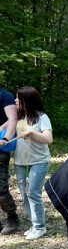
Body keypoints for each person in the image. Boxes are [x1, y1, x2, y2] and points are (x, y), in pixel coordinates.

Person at [14, 87, 53, 240]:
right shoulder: (18, 117)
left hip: (39, 161)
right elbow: (10, 131)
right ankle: (34, 223)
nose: (15, 100)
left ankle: (39, 227)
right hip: (20, 161)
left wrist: (32, 132)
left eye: (18, 98)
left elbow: (48, 140)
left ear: (27, 101)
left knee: (33, 193)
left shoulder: (42, 117)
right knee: (24, 195)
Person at [0, 88, 20, 235]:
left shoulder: (4, 95)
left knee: (0, 188)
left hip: (0, 146)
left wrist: (6, 138)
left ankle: (12, 217)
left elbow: (13, 118)